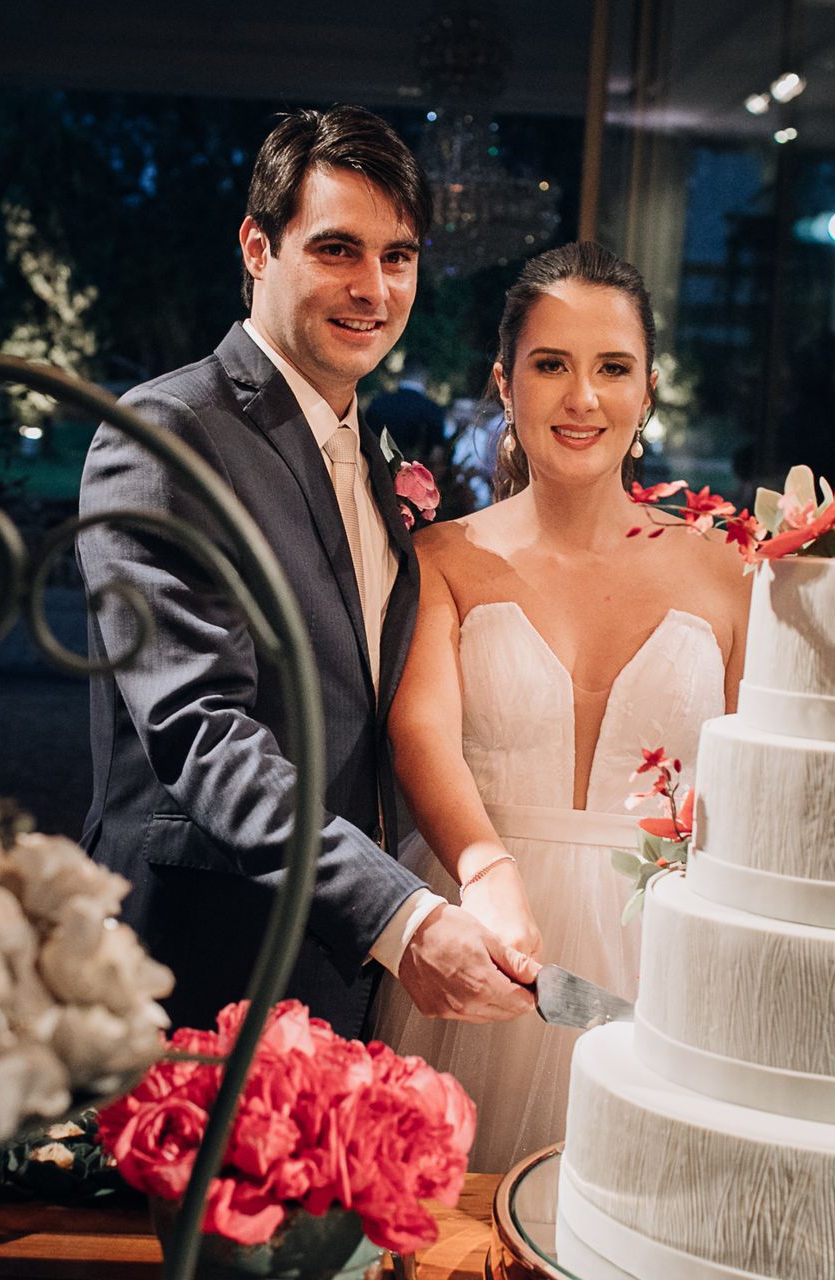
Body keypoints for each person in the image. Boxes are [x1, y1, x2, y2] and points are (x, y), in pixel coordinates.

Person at [75, 107, 539, 1037]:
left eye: (398, 257)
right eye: (337, 250)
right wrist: (400, 917)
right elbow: (201, 732)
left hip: (334, 970)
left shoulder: (372, 459)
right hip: (200, 960)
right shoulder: (167, 435)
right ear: (257, 245)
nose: (373, 288)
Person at [370, 242, 751, 1173]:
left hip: (667, 953)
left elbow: (755, 779)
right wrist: (485, 868)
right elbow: (421, 734)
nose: (582, 399)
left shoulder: (725, 573)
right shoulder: (444, 559)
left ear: (648, 389)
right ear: (505, 383)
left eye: (612, 368)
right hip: (486, 935)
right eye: (552, 365)